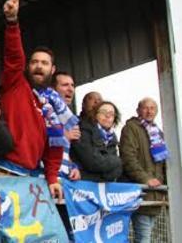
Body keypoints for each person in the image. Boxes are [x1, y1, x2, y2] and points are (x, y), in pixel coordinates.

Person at [0, 0, 69, 201]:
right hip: (5, 173)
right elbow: (14, 56)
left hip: (33, 179)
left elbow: (54, 149)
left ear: (52, 70)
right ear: (27, 66)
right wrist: (12, 21)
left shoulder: (54, 106)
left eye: (44, 63)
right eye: (34, 62)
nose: (38, 66)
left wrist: (53, 178)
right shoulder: (16, 84)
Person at [120, 97, 167, 243]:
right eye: (145, 107)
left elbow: (165, 163)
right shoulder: (131, 128)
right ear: (138, 110)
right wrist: (145, 179)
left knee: (146, 238)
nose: (149, 111)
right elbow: (128, 158)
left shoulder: (158, 133)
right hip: (141, 194)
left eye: (152, 108)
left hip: (156, 196)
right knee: (144, 238)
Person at [70, 101, 121, 182]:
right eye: (103, 112)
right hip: (80, 185)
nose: (107, 116)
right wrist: (117, 161)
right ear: (95, 115)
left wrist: (116, 163)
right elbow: (92, 163)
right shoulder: (83, 130)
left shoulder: (112, 138)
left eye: (111, 114)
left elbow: (116, 171)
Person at [52, 71, 81, 180]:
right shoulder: (46, 111)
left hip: (62, 177)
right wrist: (65, 137)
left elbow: (65, 152)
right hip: (43, 178)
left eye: (72, 85)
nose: (71, 89)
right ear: (53, 89)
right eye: (65, 85)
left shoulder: (69, 117)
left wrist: (73, 167)